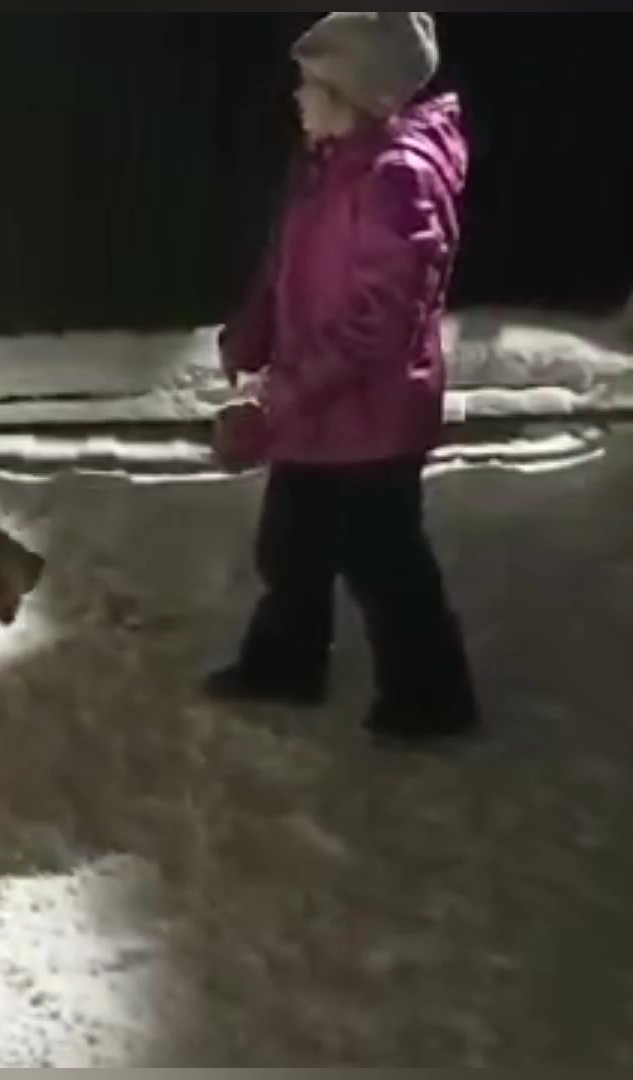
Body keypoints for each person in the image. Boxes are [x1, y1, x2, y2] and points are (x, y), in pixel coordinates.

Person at [207, 11, 481, 746]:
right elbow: (284, 263)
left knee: (385, 561)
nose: (296, 98)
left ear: (361, 97)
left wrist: (281, 398)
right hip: (316, 407)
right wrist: (254, 330)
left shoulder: (399, 183)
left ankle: (433, 697)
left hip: (376, 417)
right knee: (291, 545)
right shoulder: (326, 161)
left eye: (311, 85)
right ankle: (285, 664)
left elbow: (380, 324)